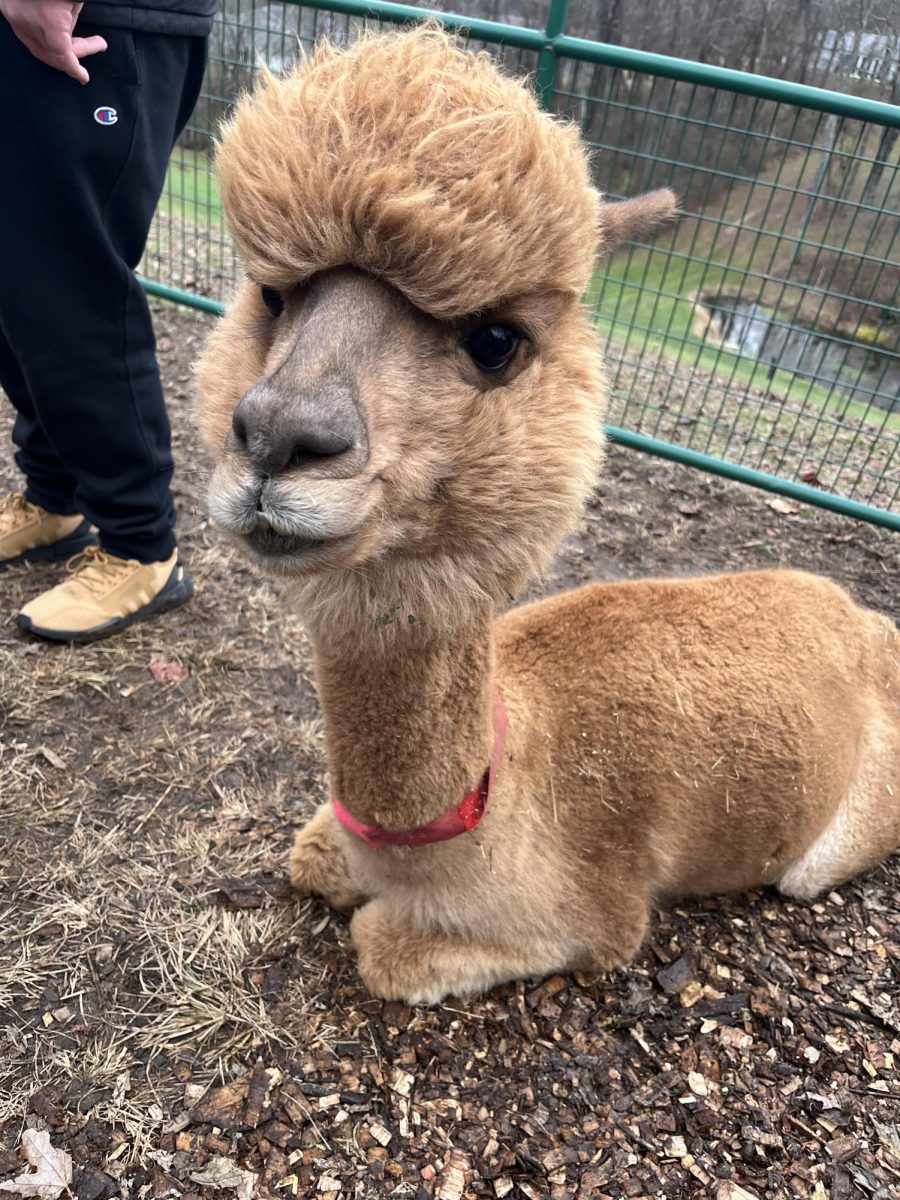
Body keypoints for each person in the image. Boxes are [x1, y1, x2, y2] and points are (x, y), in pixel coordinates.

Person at [0, 0, 216, 641]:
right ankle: (54, 495)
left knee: (69, 291)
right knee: (20, 286)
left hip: (102, 24)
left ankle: (141, 548)